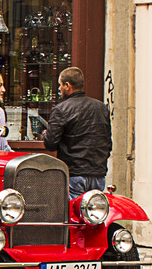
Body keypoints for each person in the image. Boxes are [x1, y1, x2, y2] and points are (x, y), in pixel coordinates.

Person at [43, 66, 108, 196]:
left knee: (73, 212)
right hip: (98, 173)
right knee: (93, 213)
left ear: (67, 85)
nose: (60, 89)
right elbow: (107, 139)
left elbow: (50, 144)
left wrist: (46, 134)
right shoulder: (101, 107)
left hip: (75, 173)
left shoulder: (61, 109)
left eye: (60, 85)